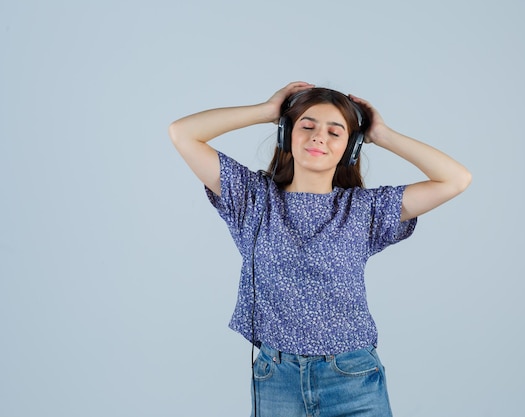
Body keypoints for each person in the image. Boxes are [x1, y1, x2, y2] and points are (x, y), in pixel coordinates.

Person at [169, 81, 471, 417]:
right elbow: (182, 133)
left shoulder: (364, 209)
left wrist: (382, 134)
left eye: (335, 132)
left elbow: (455, 179)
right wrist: (266, 111)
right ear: (287, 135)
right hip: (276, 380)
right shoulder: (252, 199)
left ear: (351, 147)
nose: (318, 138)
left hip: (351, 379)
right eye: (307, 126)